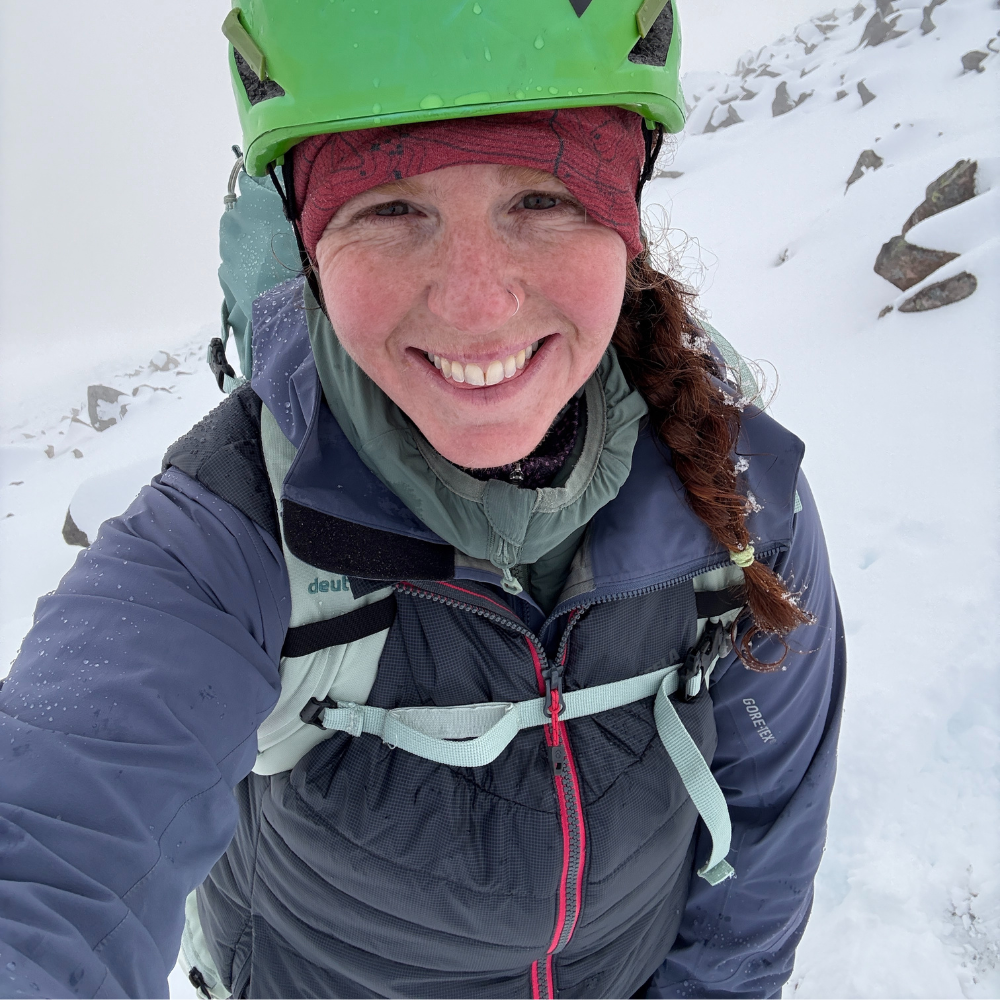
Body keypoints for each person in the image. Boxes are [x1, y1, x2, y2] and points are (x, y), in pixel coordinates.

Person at [0, 2, 845, 998]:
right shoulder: (227, 536)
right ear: (311, 249)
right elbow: (50, 852)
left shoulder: (735, 494)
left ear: (627, 216)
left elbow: (766, 823)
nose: (475, 304)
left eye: (544, 198)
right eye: (390, 209)